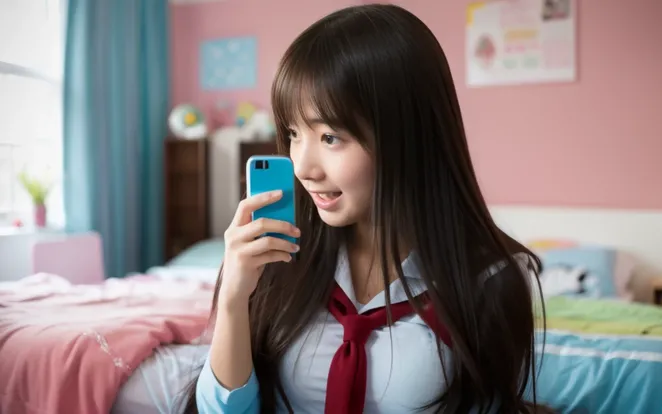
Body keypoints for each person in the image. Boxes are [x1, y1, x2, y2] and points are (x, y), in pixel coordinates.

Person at [183, 4, 549, 414]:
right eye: (292, 133)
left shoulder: (487, 283)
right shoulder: (283, 256)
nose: (302, 168)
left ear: (405, 135)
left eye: (330, 137)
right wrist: (233, 299)